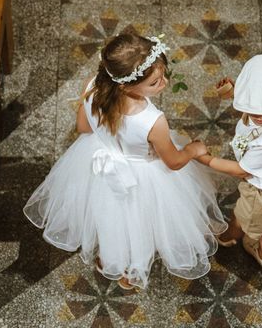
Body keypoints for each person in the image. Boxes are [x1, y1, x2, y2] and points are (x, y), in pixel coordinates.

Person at [24, 33, 227, 289]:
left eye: (163, 75)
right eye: (155, 83)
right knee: (141, 221)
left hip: (97, 165)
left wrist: (108, 136)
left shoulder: (91, 86)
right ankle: (133, 269)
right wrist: (194, 150)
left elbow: (83, 127)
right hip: (143, 176)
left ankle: (111, 260)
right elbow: (173, 162)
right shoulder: (152, 120)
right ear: (126, 86)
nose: (164, 83)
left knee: (109, 217)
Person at [196, 54, 262, 272]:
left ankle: (235, 239)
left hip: (261, 192)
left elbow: (240, 170)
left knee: (248, 218)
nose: (256, 115)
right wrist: (234, 94)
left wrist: (203, 157)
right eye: (251, 107)